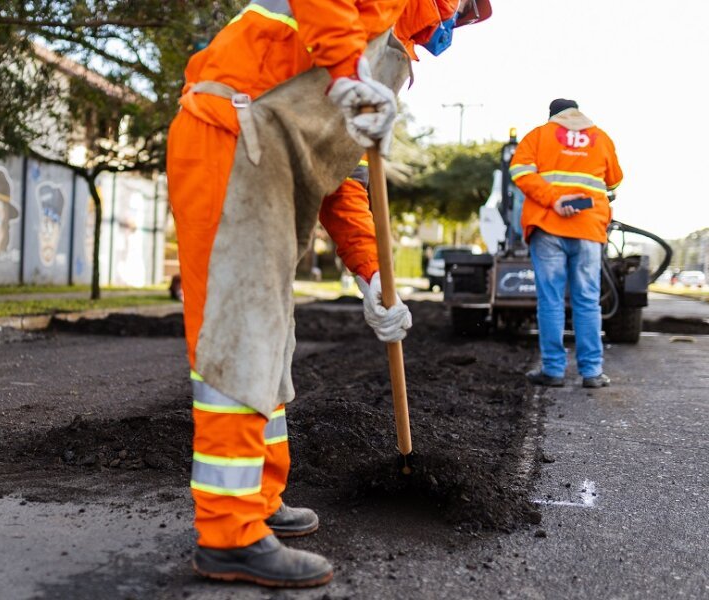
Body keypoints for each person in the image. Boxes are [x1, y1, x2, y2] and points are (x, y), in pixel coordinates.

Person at [166, 0, 490, 588]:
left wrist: (373, 277)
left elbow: (341, 175)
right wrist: (348, 75)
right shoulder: (364, 30)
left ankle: (260, 500)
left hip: (268, 148)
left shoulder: (384, 52)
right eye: (464, 10)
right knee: (240, 335)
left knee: (270, 338)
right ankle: (229, 534)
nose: (458, 24)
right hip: (231, 132)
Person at [509, 99, 623, 388]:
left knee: (551, 300)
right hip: (588, 228)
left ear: (552, 116)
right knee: (587, 301)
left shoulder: (539, 135)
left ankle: (553, 370)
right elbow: (615, 182)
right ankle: (592, 373)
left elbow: (519, 172)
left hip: (548, 227)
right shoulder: (601, 138)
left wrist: (554, 199)